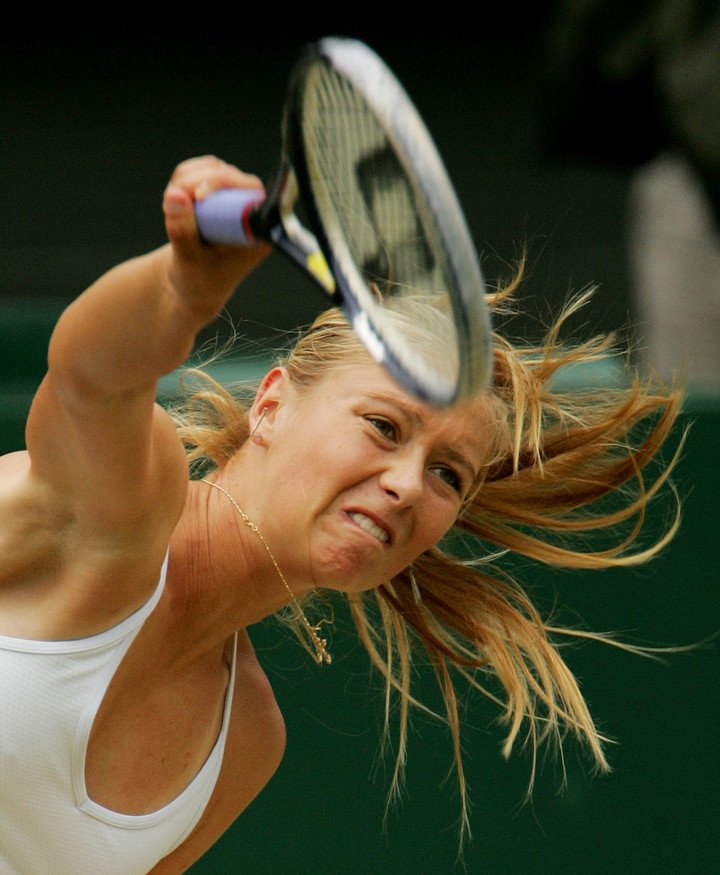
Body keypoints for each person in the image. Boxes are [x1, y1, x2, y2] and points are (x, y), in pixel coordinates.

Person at [0, 155, 682, 874]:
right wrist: (180, 288)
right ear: (270, 405)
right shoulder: (123, 510)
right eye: (384, 427)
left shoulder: (245, 742)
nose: (408, 484)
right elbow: (89, 377)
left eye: (448, 473)